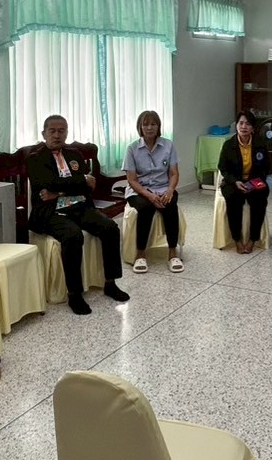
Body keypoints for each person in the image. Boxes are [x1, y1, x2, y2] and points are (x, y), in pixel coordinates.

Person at [26, 115, 130, 315]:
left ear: (66, 132)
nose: (57, 135)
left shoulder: (74, 154)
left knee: (110, 228)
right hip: (51, 211)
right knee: (73, 235)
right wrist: (78, 182)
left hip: (78, 206)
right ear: (44, 133)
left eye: (61, 131)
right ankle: (74, 293)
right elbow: (47, 183)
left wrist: (59, 192)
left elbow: (89, 185)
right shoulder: (35, 158)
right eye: (52, 131)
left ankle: (110, 282)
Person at [123, 110, 182, 273]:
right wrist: (149, 195)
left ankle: (172, 252)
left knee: (170, 205)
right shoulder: (132, 148)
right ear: (140, 127)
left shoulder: (168, 145)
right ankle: (140, 254)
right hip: (139, 190)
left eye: (153, 124)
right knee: (146, 208)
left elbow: (174, 173)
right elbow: (132, 180)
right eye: (145, 124)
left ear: (158, 126)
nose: (149, 128)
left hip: (164, 187)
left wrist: (170, 190)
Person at [217, 111, 272, 254]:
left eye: (248, 124)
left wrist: (254, 183)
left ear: (253, 127)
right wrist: (235, 181)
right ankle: (237, 239)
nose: (244, 127)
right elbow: (223, 168)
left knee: (259, 199)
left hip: (255, 181)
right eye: (241, 123)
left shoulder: (260, 143)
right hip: (234, 182)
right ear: (236, 126)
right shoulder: (228, 145)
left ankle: (253, 239)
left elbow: (266, 167)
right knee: (233, 200)